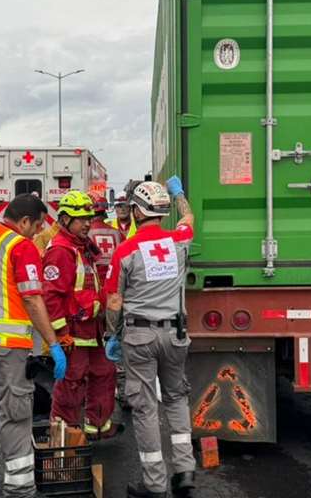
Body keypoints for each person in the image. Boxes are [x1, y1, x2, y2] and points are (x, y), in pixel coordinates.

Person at [0, 194, 68, 498]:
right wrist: (52, 343)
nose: (37, 233)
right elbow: (32, 298)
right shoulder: (21, 246)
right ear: (24, 221)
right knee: (16, 413)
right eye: (36, 226)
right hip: (9, 347)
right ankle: (19, 488)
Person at [104, 177, 197, 498]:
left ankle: (154, 484)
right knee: (176, 398)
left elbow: (114, 302)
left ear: (138, 212)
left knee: (144, 408)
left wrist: (111, 334)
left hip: (140, 336)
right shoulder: (179, 241)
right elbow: (188, 219)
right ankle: (185, 471)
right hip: (176, 334)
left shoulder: (125, 251)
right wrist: (179, 193)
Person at [43, 191, 120, 440]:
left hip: (93, 328)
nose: (88, 223)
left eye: (89, 217)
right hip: (73, 331)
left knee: (104, 374)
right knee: (71, 382)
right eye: (81, 219)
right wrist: (60, 335)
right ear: (65, 219)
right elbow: (52, 297)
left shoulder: (82, 247)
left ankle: (97, 426)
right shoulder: (60, 251)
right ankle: (65, 434)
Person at [87, 193, 128, 407]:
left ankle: (95, 390)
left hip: (94, 295)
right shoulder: (117, 234)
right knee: (116, 340)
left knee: (95, 344)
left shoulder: (86, 235)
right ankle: (123, 391)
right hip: (116, 294)